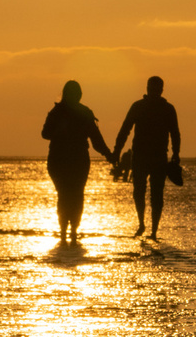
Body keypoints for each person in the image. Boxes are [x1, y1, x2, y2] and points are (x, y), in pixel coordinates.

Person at [41, 80, 112, 242]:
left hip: (70, 160)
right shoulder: (61, 112)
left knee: (68, 195)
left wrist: (109, 154)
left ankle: (69, 231)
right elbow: (45, 133)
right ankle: (68, 231)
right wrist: (109, 155)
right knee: (71, 194)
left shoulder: (70, 112)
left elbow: (96, 140)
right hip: (65, 160)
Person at [113, 76, 181, 239]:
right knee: (139, 192)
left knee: (157, 194)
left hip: (158, 158)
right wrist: (116, 151)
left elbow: (175, 133)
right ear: (147, 89)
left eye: (157, 89)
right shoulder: (138, 107)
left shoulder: (168, 109)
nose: (154, 92)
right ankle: (142, 224)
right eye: (152, 89)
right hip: (140, 157)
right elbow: (125, 129)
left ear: (161, 90)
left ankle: (154, 231)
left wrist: (176, 154)